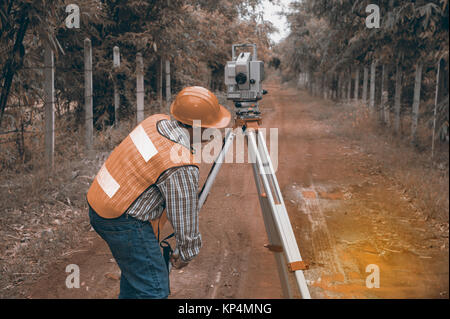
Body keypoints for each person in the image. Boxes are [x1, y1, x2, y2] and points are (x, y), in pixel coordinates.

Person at [87, 86, 231, 299]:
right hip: (122, 220)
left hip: (100, 201)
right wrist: (186, 253)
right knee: (153, 290)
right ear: (197, 126)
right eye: (211, 127)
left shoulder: (155, 122)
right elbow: (184, 218)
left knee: (137, 275)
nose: (214, 132)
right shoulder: (181, 163)